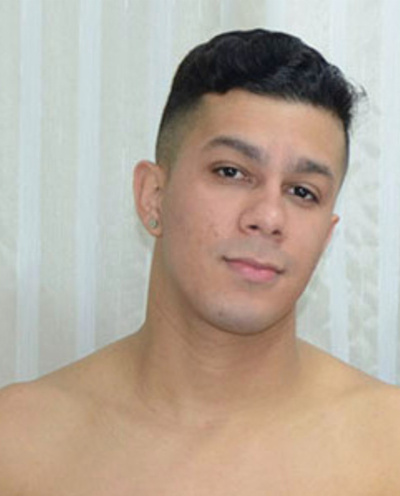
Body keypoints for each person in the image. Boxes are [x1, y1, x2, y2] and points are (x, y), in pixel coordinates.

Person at [0, 28, 399, 495]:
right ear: (153, 196)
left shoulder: (387, 448)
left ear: (326, 237)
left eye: (302, 192)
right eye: (231, 172)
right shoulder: (19, 443)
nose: (269, 217)